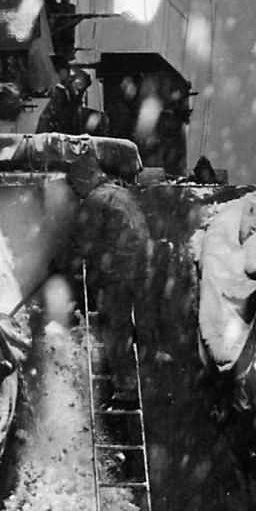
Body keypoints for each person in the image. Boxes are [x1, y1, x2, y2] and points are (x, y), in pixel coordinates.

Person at [67, 152, 153, 407]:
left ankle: (125, 389)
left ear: (85, 179)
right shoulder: (122, 194)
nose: (78, 192)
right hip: (142, 269)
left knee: (116, 328)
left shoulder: (95, 200)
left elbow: (84, 241)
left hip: (118, 273)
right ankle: (143, 383)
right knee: (138, 327)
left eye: (77, 186)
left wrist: (63, 264)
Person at [36, 66, 92, 134]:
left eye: (82, 87)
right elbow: (57, 117)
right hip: (52, 133)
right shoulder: (61, 93)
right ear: (71, 81)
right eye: (78, 85)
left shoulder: (74, 99)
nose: (78, 91)